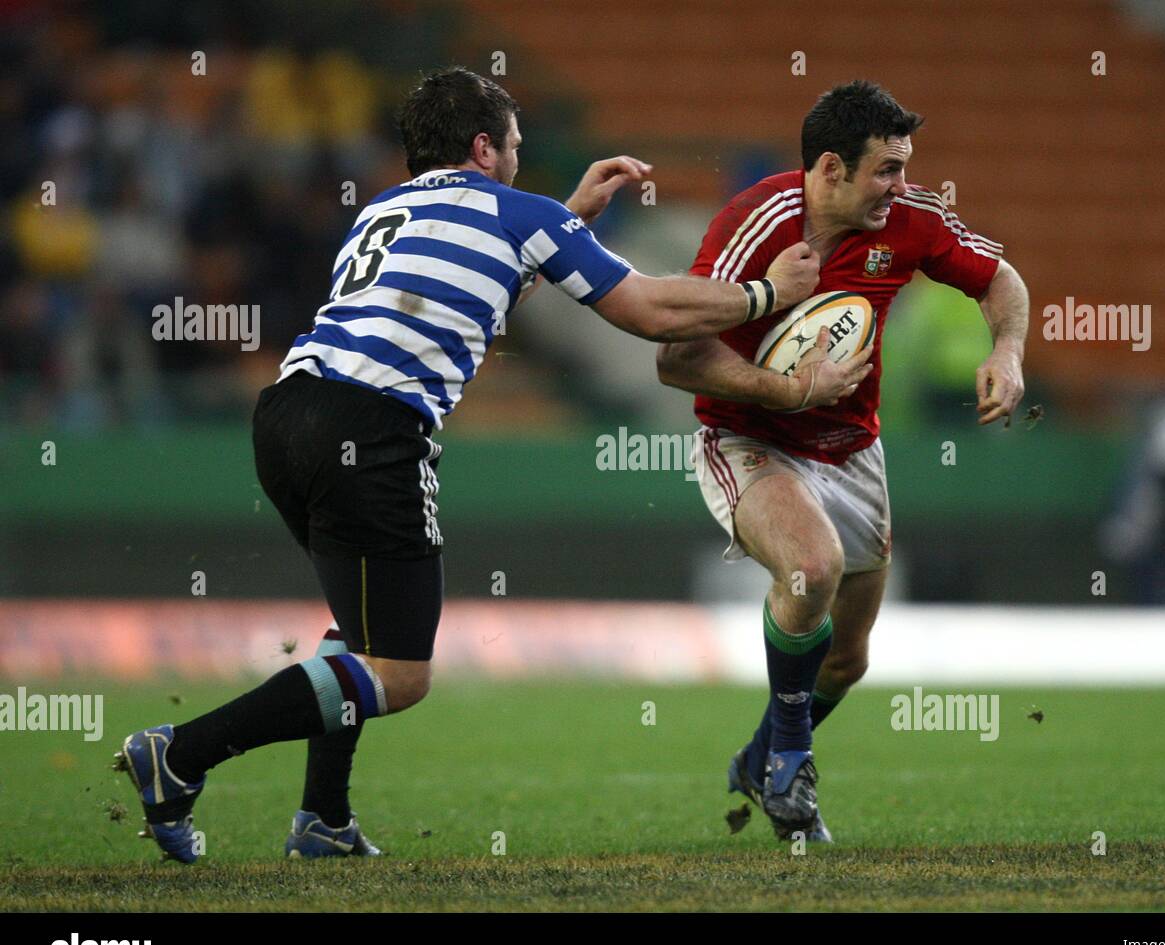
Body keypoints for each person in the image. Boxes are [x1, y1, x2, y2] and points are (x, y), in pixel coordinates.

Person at [114, 67, 819, 862]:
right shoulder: (517, 212)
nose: (519, 158)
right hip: (373, 426)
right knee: (401, 673)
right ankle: (181, 754)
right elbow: (651, 311)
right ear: (484, 148)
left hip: (287, 414)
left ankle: (324, 819)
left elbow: (471, 300)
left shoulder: (383, 209)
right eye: (514, 144)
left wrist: (568, 222)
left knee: (361, 626)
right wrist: (765, 293)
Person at [657, 80, 1028, 841]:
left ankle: (761, 753)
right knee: (811, 568)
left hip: (853, 450)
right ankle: (791, 767)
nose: (902, 186)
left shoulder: (911, 220)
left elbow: (1000, 280)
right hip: (749, 441)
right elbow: (675, 357)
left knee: (847, 661)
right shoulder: (753, 224)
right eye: (886, 169)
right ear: (831, 168)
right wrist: (786, 390)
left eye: (904, 168)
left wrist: (1009, 350)